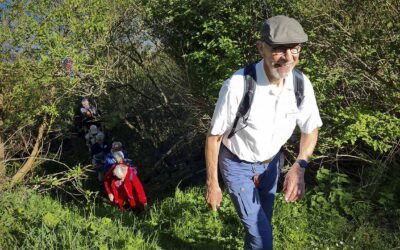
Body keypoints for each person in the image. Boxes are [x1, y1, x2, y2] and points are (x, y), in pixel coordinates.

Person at [205, 15, 322, 249]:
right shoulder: (238, 86)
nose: (288, 58)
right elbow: (214, 136)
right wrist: (212, 183)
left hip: (271, 165)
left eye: (295, 48)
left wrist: (300, 166)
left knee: (263, 224)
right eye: (279, 49)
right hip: (237, 164)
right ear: (261, 48)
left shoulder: (300, 84)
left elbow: (311, 129)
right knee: (261, 234)